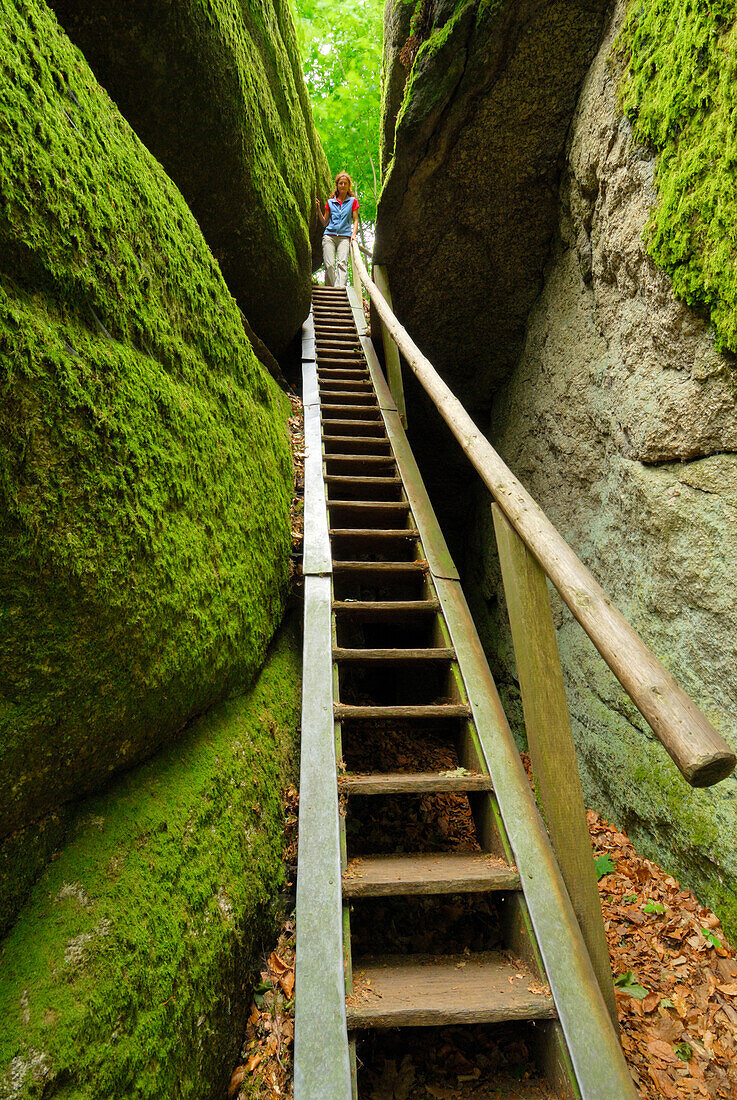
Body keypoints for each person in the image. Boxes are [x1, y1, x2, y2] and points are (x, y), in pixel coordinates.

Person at [317, 172, 359, 287]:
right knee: (329, 264)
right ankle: (332, 288)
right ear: (337, 185)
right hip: (329, 236)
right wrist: (318, 209)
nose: (343, 185)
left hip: (344, 237)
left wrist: (353, 234)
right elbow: (324, 222)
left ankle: (339, 289)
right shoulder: (330, 202)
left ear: (348, 185)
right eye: (341, 183)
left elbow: (355, 220)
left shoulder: (353, 201)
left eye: (345, 183)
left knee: (342, 264)